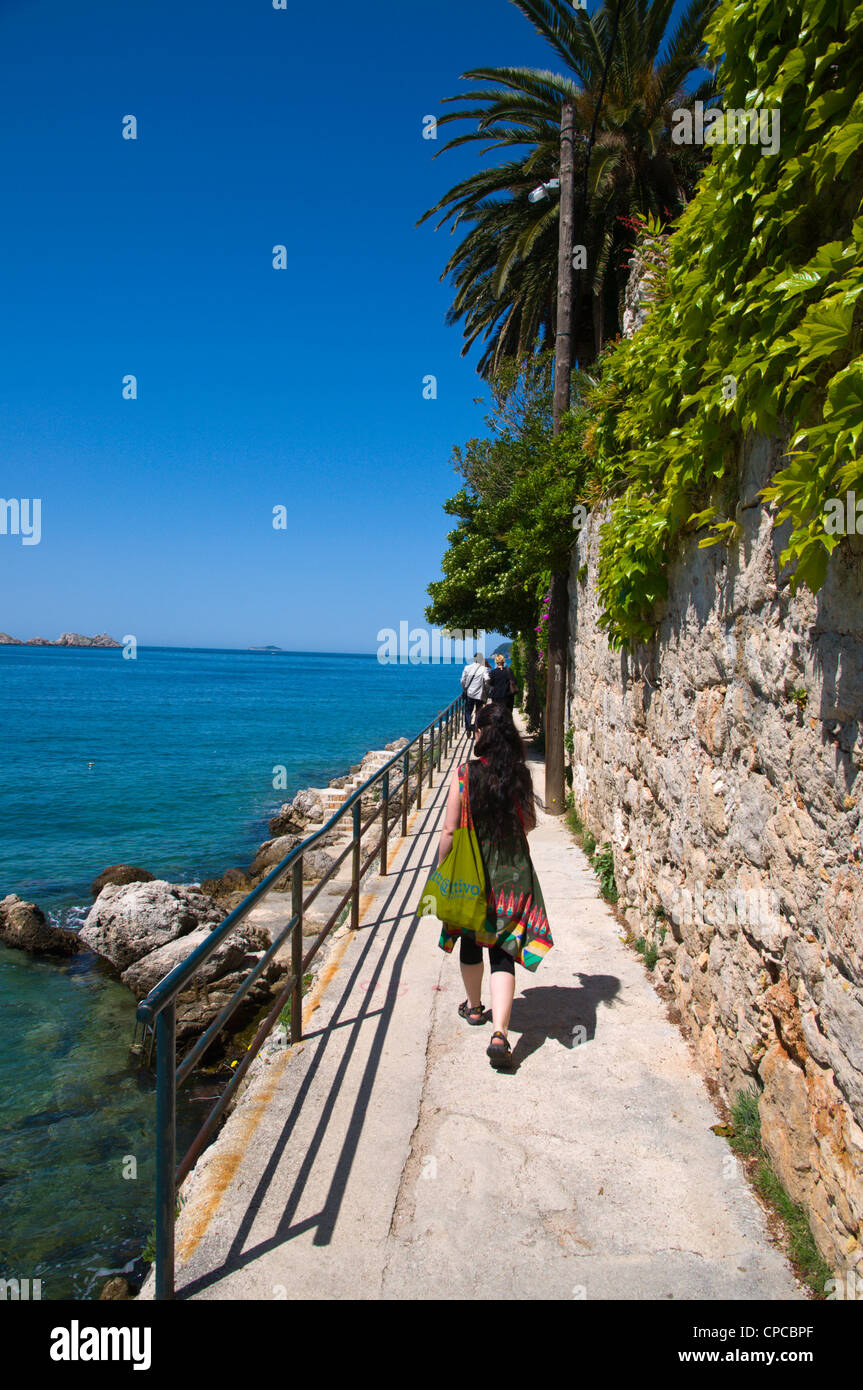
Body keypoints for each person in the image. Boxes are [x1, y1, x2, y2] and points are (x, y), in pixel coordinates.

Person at [435, 702, 553, 1069]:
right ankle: (500, 1032)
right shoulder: (520, 775)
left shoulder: (464, 775)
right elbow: (530, 822)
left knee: (472, 939)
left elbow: (449, 830)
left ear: (483, 733)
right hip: (512, 873)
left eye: (475, 728)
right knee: (503, 948)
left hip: (473, 875)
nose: (472, 733)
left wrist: (442, 871)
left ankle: (474, 1008)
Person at [460, 653, 489, 737]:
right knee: (478, 712)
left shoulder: (467, 667)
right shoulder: (484, 669)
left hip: (469, 694)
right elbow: (487, 679)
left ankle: (469, 727)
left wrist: (465, 688)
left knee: (468, 711)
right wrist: (486, 689)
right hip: (479, 694)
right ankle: (476, 728)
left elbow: (462, 681)